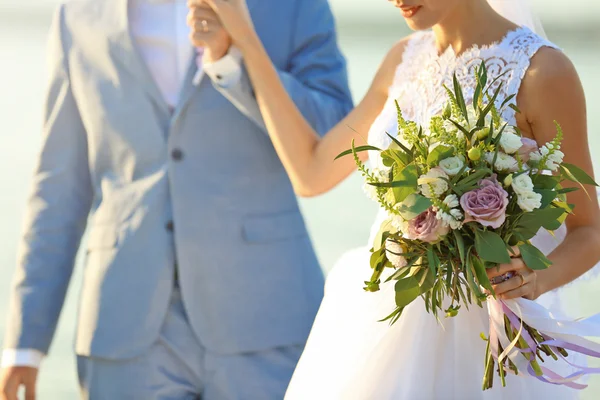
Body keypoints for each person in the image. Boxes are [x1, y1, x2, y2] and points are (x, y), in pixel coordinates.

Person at [195, 0, 600, 398]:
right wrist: (244, 42)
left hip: (487, 340)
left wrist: (534, 279)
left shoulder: (542, 71)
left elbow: (588, 230)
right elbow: (311, 171)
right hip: (383, 326)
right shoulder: (403, 59)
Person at [0, 0, 352, 398]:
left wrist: (234, 62)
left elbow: (336, 137)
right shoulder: (77, 14)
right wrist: (25, 344)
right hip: (124, 328)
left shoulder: (293, 5)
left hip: (266, 318)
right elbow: (59, 186)